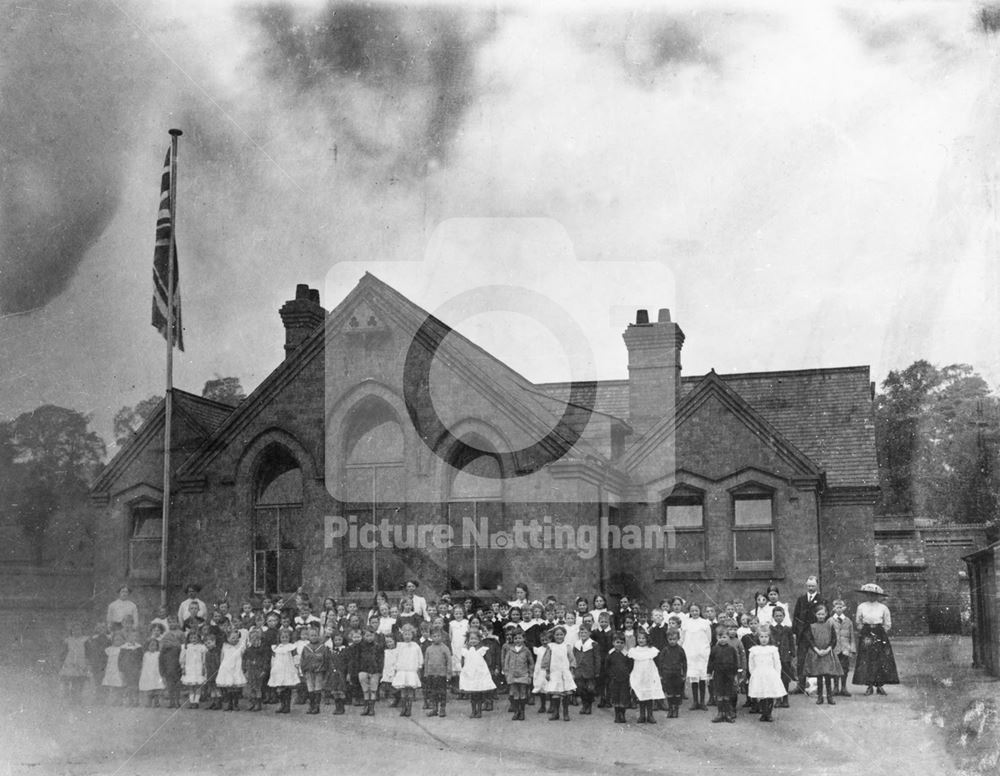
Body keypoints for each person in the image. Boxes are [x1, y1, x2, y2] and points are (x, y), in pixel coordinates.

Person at [852, 583, 899, 695]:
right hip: (866, 633)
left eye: (874, 595)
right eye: (869, 594)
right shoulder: (861, 606)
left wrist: (880, 632)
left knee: (881, 659)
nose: (871, 597)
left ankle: (880, 685)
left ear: (878, 596)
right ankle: (869, 685)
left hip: (879, 633)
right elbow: (858, 622)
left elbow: (887, 624)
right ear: (866, 595)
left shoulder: (883, 608)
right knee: (867, 658)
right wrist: (864, 631)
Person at [791, 575, 828, 693]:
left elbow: (825, 618)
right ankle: (800, 686)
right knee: (801, 660)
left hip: (815, 634)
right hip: (802, 635)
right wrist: (795, 632)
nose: (810, 588)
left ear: (817, 585)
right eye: (809, 586)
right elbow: (796, 617)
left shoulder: (822, 599)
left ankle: (816, 687)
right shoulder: (801, 599)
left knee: (816, 659)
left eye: (813, 586)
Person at [803, 604, 840, 705]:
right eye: (819, 614)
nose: (821, 616)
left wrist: (828, 649)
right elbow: (810, 640)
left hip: (827, 653)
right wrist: (817, 650)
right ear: (815, 615)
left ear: (826, 614)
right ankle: (820, 697)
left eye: (822, 614)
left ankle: (829, 696)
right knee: (819, 676)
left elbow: (834, 639)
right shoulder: (812, 626)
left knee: (827, 676)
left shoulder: (829, 625)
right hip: (817, 653)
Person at [747, 629, 785, 722]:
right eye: (761, 637)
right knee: (762, 694)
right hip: (759, 674)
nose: (764, 639)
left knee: (769, 694)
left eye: (766, 637)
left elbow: (777, 663)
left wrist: (777, 675)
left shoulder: (773, 649)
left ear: (769, 638)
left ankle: (769, 713)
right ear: (758, 638)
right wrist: (754, 674)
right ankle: (764, 713)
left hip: (770, 674)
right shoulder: (754, 650)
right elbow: (751, 664)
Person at [542, 624, 577, 721]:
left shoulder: (567, 646)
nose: (559, 637)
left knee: (566, 694)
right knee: (555, 694)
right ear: (553, 636)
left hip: (565, 673)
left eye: (561, 634)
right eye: (557, 635)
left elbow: (572, 660)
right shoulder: (551, 646)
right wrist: (547, 672)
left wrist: (572, 672)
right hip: (554, 673)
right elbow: (547, 660)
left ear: (564, 635)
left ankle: (565, 712)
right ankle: (556, 712)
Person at [680, 603, 712, 711]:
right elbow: (682, 638)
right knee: (694, 678)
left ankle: (702, 702)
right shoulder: (686, 623)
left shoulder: (705, 623)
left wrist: (703, 650)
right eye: (692, 611)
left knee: (702, 677)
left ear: (700, 611)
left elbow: (709, 639)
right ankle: (695, 701)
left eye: (696, 610)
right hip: (691, 654)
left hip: (702, 654)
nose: (694, 613)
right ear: (689, 611)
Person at [628, 628, 663, 723]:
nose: (641, 640)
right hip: (639, 675)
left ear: (647, 639)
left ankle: (650, 715)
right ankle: (642, 715)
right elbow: (631, 664)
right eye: (639, 638)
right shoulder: (634, 651)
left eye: (643, 638)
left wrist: (659, 674)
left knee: (649, 695)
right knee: (641, 695)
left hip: (649, 676)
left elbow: (658, 663)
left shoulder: (652, 650)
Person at [460, 629, 496, 718]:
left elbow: (488, 660)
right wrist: (464, 670)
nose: (473, 641)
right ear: (467, 640)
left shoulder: (482, 649)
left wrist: (486, 670)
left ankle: (479, 711)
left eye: (475, 639)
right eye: (471, 639)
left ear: (479, 640)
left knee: (479, 694)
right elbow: (463, 661)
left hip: (479, 674)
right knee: (472, 695)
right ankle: (473, 711)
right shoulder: (465, 650)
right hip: (470, 674)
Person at [708, 625, 739, 723]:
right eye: (720, 637)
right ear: (717, 637)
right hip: (718, 675)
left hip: (729, 676)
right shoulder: (714, 649)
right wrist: (709, 673)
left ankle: (727, 714)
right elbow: (711, 662)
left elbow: (735, 663)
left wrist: (735, 675)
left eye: (724, 637)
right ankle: (720, 713)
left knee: (727, 695)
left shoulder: (731, 649)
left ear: (728, 637)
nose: (722, 639)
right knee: (719, 695)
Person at [392, 624, 424, 717]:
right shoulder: (399, 645)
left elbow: (419, 657)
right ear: (402, 635)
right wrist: (395, 668)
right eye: (405, 634)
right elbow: (396, 657)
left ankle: (409, 709)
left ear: (412, 635)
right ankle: (403, 708)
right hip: (402, 670)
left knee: (410, 690)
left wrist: (419, 667)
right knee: (403, 690)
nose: (407, 636)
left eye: (409, 634)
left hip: (411, 670)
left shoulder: (416, 646)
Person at [503, 628, 535, 721]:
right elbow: (506, 662)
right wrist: (506, 673)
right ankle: (516, 711)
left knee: (523, 693)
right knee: (515, 694)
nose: (518, 640)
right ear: (513, 639)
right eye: (516, 638)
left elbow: (531, 663)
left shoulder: (526, 650)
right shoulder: (510, 650)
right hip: (512, 675)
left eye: (520, 638)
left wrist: (530, 674)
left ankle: (522, 712)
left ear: (523, 639)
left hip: (523, 675)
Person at [298, 626, 330, 715]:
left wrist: (324, 670)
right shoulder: (306, 648)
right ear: (308, 637)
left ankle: (317, 706)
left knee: (318, 688)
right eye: (312, 635)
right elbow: (302, 660)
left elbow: (326, 660)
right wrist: (303, 670)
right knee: (310, 688)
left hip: (319, 671)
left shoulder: (323, 647)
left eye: (315, 635)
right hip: (309, 671)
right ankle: (311, 706)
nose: (314, 637)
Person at [269, 628, 301, 714]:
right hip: (279, 669)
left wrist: (297, 665)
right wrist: (273, 668)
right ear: (279, 638)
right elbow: (273, 659)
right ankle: (282, 704)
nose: (284, 639)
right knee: (280, 688)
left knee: (287, 688)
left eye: (286, 637)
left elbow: (295, 656)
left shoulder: (291, 647)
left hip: (288, 669)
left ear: (289, 637)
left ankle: (287, 706)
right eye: (282, 637)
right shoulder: (276, 648)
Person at [572, 624, 602, 715]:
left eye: (585, 632)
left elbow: (597, 659)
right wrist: (573, 669)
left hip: (589, 671)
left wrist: (597, 671)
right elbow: (573, 657)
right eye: (581, 632)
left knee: (590, 689)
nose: (583, 634)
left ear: (589, 633)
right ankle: (584, 705)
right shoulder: (577, 644)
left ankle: (588, 705)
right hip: (579, 671)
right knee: (580, 689)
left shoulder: (593, 644)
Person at [216, 628, 249, 711]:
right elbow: (222, 657)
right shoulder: (225, 646)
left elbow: (243, 657)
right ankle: (229, 704)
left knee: (236, 688)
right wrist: (221, 668)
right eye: (233, 638)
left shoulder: (240, 646)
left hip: (236, 669)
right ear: (228, 639)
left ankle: (236, 703)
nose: (235, 640)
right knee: (228, 688)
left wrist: (243, 667)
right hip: (227, 669)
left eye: (237, 638)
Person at [658, 628, 688, 719]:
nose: (672, 641)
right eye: (670, 639)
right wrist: (661, 674)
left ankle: (676, 709)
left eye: (674, 639)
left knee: (677, 693)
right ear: (667, 639)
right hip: (667, 674)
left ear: (678, 638)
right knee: (669, 692)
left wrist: (684, 674)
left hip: (677, 674)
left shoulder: (680, 650)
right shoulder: (665, 650)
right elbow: (660, 662)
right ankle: (670, 709)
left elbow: (684, 662)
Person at [58, 622, 90, 705]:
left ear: (82, 630)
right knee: (69, 679)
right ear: (71, 631)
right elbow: (64, 652)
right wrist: (62, 661)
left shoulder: (85, 640)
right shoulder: (68, 640)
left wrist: (87, 661)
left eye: (78, 629)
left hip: (81, 662)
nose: (76, 632)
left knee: (80, 680)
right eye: (74, 630)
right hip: (70, 662)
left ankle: (78, 697)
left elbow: (88, 651)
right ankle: (70, 697)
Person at [605, 633, 633, 723]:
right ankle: (617, 715)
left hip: (624, 680)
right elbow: (607, 666)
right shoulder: (610, 654)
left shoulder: (626, 654)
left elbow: (630, 666)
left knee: (623, 697)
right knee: (615, 697)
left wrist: (627, 674)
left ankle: (623, 714)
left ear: (624, 644)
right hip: (614, 679)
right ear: (613, 643)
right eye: (617, 642)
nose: (619, 644)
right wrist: (611, 675)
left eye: (621, 642)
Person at [423, 627, 452, 718]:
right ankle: (434, 709)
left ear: (442, 636)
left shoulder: (445, 648)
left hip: (441, 675)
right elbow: (426, 662)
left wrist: (449, 674)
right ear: (431, 637)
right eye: (434, 636)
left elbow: (449, 661)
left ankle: (442, 708)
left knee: (442, 692)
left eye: (438, 636)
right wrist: (426, 673)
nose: (437, 638)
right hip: (431, 674)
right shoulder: (428, 649)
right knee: (433, 692)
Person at [830, 598, 855, 697]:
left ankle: (844, 687)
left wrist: (852, 649)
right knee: (835, 667)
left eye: (841, 607)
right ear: (834, 609)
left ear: (843, 609)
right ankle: (835, 687)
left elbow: (852, 636)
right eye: (837, 607)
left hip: (845, 648)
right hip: (835, 648)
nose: (839, 609)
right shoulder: (830, 620)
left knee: (845, 667)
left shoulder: (848, 621)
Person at [356, 626, 384, 716]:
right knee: (365, 690)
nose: (369, 638)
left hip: (374, 670)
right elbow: (357, 659)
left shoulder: (378, 647)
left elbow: (380, 659)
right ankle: (366, 707)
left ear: (374, 635)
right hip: (363, 669)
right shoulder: (360, 646)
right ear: (364, 636)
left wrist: (380, 671)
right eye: (367, 636)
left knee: (373, 689)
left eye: (371, 635)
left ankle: (372, 708)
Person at [242, 628, 269, 712]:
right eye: (253, 639)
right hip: (251, 671)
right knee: (251, 687)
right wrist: (245, 670)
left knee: (258, 688)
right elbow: (244, 660)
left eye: (257, 639)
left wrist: (264, 670)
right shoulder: (248, 650)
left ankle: (258, 703)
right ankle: (252, 702)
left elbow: (266, 660)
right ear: (250, 640)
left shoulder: (263, 650)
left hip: (259, 671)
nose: (255, 641)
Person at [118, 629, 144, 707]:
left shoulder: (138, 647)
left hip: (136, 669)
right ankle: (130, 700)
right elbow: (120, 660)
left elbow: (141, 659)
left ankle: (136, 700)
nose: (133, 638)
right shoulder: (123, 647)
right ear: (127, 637)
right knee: (128, 685)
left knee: (135, 685)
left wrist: (140, 668)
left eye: (135, 636)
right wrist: (121, 670)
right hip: (127, 669)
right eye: (131, 636)